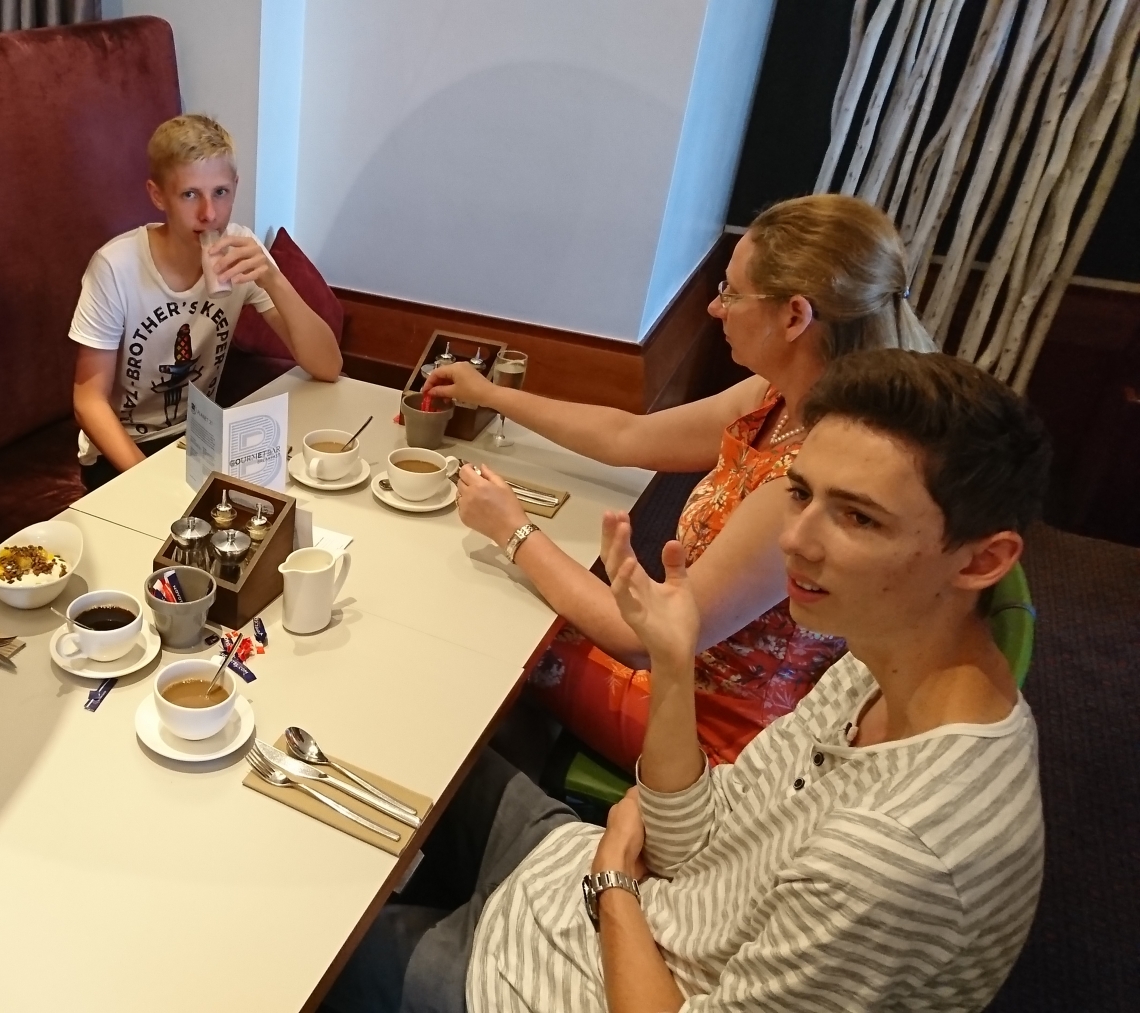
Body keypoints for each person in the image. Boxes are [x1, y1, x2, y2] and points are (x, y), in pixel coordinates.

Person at [326, 349, 1049, 1013]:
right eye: (801, 494)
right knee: (412, 729)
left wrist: (614, 884)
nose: (794, 539)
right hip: (585, 888)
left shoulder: (898, 857)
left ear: (981, 561)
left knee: (306, 951)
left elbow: (654, 863)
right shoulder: (875, 659)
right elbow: (691, 837)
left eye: (858, 517)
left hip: (542, 977)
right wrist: (672, 663)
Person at [424, 194, 937, 769]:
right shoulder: (780, 397)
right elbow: (627, 437)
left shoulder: (810, 486)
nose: (716, 308)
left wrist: (513, 531)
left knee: (493, 628)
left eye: (732, 293)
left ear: (795, 316)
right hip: (677, 653)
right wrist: (490, 394)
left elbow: (644, 641)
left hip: (706, 722)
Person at [69, 114, 342, 491]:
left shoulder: (240, 250)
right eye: (189, 195)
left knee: (300, 493)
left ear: (235, 187)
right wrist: (150, 480)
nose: (209, 214)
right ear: (158, 195)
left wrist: (273, 279)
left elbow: (328, 366)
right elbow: (88, 401)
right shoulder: (117, 267)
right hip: (122, 451)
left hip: (200, 438)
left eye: (220, 192)